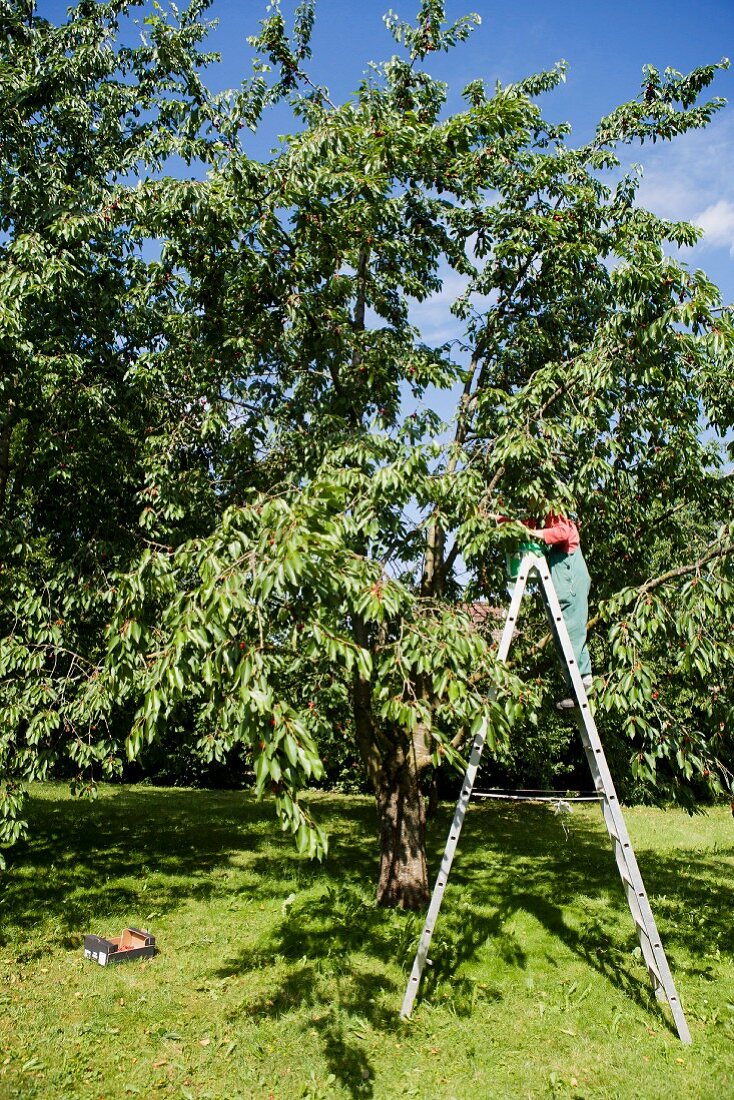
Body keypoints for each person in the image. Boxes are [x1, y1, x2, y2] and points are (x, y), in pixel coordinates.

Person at [526, 512, 592, 710]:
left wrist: (533, 532)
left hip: (571, 587)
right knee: (562, 641)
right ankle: (576, 689)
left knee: (573, 634)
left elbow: (562, 532)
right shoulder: (541, 516)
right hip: (562, 589)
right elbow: (525, 526)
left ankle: (585, 684)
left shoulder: (556, 515)